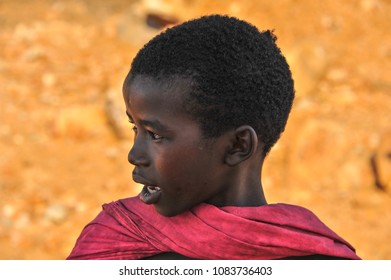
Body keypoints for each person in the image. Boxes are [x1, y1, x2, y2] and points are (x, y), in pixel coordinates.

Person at [67, 15, 360, 260]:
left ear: (238, 146)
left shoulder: (317, 262)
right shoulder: (117, 239)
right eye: (135, 128)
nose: (134, 155)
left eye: (155, 135)